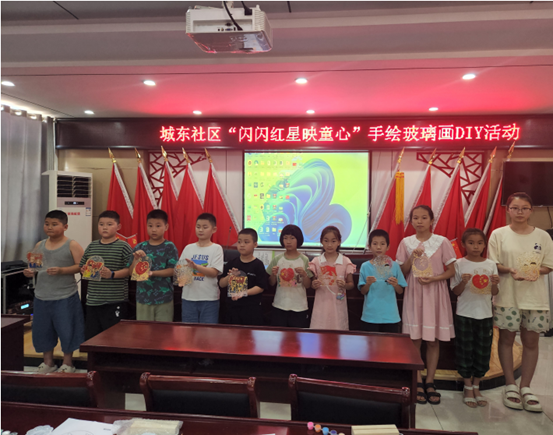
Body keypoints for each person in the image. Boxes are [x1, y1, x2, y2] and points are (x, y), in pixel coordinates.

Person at [488, 192, 553, 413]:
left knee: (531, 342)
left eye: (524, 208)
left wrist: (536, 271)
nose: (519, 212)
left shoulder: (543, 236)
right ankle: (510, 385)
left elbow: (549, 265)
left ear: (531, 211)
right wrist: (510, 270)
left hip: (535, 298)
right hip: (507, 295)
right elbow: (493, 264)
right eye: (515, 208)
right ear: (508, 210)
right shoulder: (498, 234)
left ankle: (526, 386)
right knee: (506, 339)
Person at [396, 205, 456, 405]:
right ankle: (417, 381)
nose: (419, 221)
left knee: (433, 340)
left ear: (431, 220)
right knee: (415, 339)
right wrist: (412, 257)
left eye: (424, 217)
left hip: (435, 293)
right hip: (414, 293)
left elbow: (452, 271)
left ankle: (430, 381)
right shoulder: (406, 242)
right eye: (415, 218)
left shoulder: (442, 241)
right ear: (411, 221)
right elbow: (402, 272)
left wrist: (434, 278)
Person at [23, 210, 85, 373]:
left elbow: (81, 267)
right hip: (42, 296)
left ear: (65, 226)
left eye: (54, 224)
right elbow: (34, 266)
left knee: (67, 330)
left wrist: (62, 270)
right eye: (47, 224)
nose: (49, 227)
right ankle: (48, 362)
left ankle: (68, 363)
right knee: (43, 330)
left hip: (65, 295)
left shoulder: (72, 244)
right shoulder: (40, 245)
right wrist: (29, 272)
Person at [451, 228, 499, 408]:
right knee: (465, 350)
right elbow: (456, 291)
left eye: (479, 243)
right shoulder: (458, 264)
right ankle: (467, 386)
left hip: (485, 314)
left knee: (483, 351)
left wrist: (495, 284)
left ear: (485, 245)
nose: (475, 246)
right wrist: (463, 281)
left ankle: (477, 385)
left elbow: (494, 292)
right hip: (464, 313)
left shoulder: (491, 264)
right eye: (471, 243)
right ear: (463, 244)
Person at [79, 210, 132, 340]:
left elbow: (131, 270)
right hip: (93, 301)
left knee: (114, 338)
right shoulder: (92, 246)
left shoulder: (123, 246)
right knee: (92, 337)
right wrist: (84, 269)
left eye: (109, 224)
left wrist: (112, 274)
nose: (104, 227)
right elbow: (81, 266)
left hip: (115, 300)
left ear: (118, 227)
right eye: (101, 224)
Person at [127, 209, 178, 322]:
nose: (153, 229)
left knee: (163, 331)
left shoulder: (169, 246)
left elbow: (173, 270)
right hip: (143, 298)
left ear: (166, 227)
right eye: (150, 226)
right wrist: (136, 259)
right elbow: (131, 273)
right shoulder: (140, 247)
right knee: (143, 331)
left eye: (158, 226)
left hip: (164, 298)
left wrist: (152, 273)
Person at [358, 229, 406, 333]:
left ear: (388, 247)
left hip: (390, 316)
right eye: (375, 244)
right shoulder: (365, 266)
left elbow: (400, 291)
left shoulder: (395, 266)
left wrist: (395, 284)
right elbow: (363, 291)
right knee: (370, 343)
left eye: (382, 244)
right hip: (370, 316)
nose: (379, 247)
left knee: (389, 343)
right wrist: (368, 284)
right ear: (369, 246)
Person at [179, 213, 224, 324]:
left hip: (209, 298)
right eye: (198, 226)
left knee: (208, 332)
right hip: (189, 297)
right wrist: (181, 275)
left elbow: (214, 272)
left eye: (205, 227)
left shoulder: (216, 248)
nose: (200, 230)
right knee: (188, 331)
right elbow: (181, 270)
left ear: (214, 229)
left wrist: (196, 267)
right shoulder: (188, 248)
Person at [309, 226, 355, 330]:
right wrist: (314, 284)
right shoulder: (316, 261)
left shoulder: (345, 261)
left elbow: (351, 284)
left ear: (339, 242)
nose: (329, 245)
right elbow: (312, 284)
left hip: (338, 307)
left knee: (338, 333)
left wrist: (345, 285)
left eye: (333, 241)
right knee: (319, 334)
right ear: (321, 241)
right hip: (321, 306)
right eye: (326, 241)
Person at [267, 224, 313, 328]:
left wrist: (304, 275)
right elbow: (271, 283)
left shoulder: (304, 259)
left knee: (297, 337)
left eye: (292, 238)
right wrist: (273, 275)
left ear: (298, 240)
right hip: (279, 305)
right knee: (278, 336)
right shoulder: (277, 259)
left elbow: (308, 285)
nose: (288, 241)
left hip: (299, 306)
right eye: (285, 238)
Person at [219, 228, 267, 326]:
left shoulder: (258, 264)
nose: (242, 245)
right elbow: (221, 284)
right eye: (239, 242)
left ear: (255, 244)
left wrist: (243, 293)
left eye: (246, 242)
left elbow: (261, 287)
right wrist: (229, 277)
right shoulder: (231, 263)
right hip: (232, 308)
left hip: (251, 308)